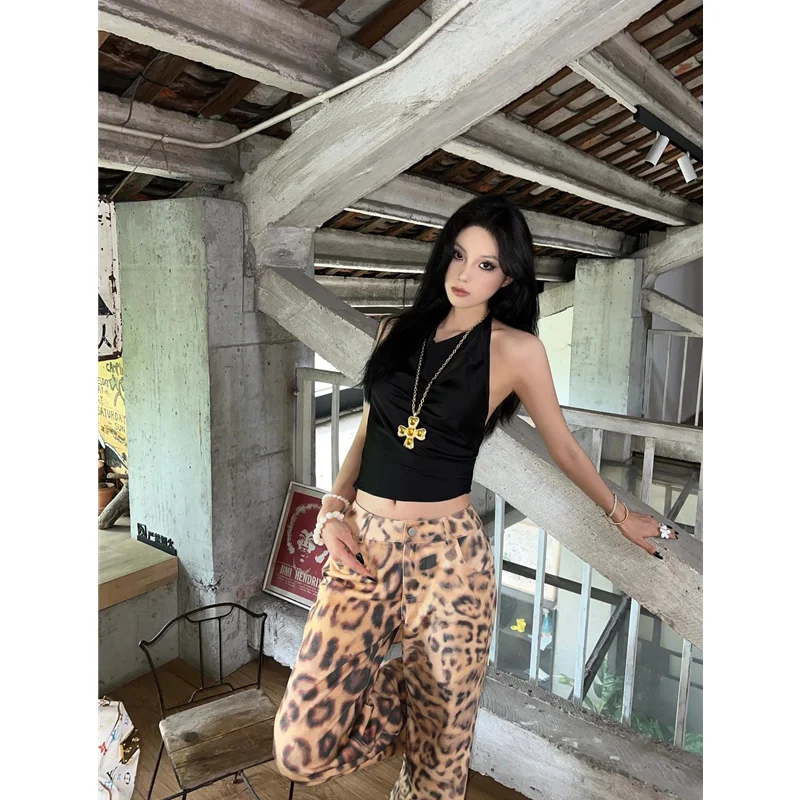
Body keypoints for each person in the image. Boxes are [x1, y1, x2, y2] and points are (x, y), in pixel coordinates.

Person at [273, 195, 675, 799]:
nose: (464, 274)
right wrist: (332, 510)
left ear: (508, 277)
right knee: (300, 748)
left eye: (486, 265)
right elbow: (368, 434)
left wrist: (621, 516)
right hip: (365, 546)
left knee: (438, 771)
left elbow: (564, 448)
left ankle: (435, 715)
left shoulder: (517, 350)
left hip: (451, 560)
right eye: (459, 255)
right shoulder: (396, 330)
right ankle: (415, 699)